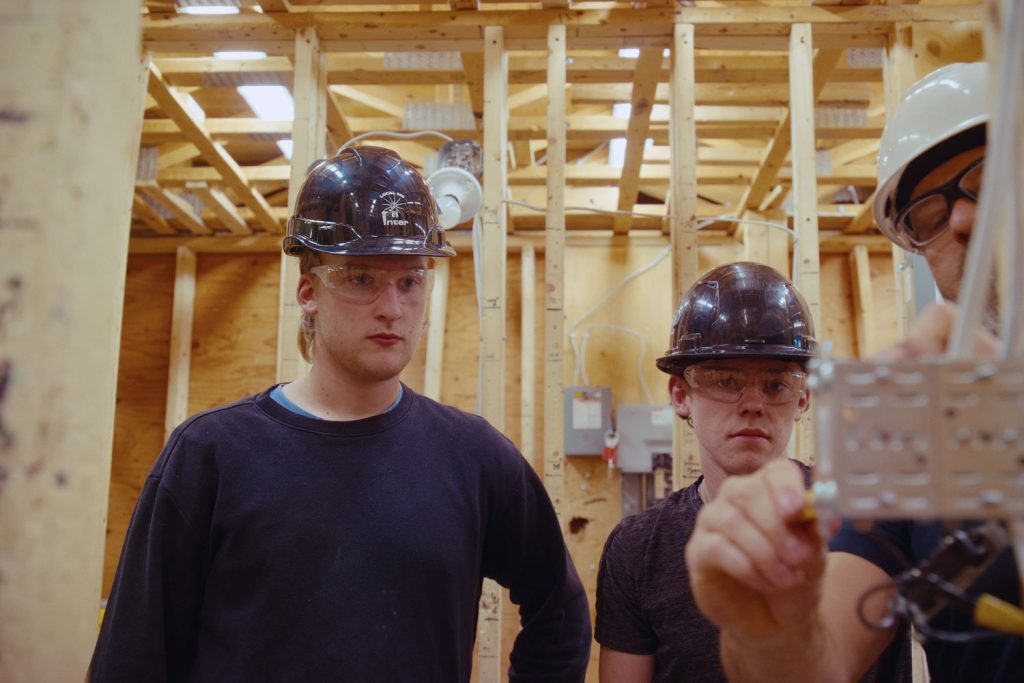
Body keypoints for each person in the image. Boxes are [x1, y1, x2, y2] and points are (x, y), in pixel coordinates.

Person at [91, 146, 592, 682]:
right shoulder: (210, 455)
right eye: (360, 279)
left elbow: (559, 614)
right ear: (309, 291)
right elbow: (134, 655)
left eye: (410, 281)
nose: (392, 308)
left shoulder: (474, 457)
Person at [685, 62, 1022, 683]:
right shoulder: (913, 440)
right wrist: (771, 626)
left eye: (986, 177)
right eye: (930, 214)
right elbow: (819, 659)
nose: (965, 221)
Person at [595, 262, 819, 682]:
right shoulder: (639, 549)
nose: (753, 403)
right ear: (681, 396)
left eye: (775, 385)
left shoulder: (859, 519)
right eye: (725, 381)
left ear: (802, 399)